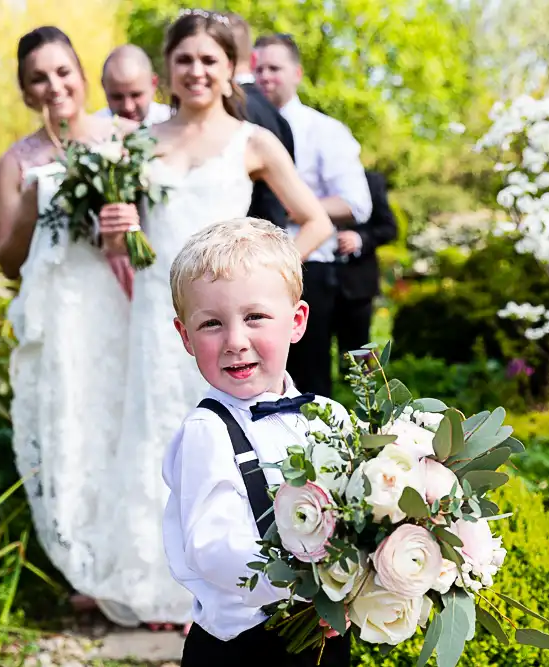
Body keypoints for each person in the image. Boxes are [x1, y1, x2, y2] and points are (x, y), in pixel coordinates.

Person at [101, 8, 335, 630]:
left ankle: (232, 581)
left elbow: (316, 220)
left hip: (229, 310)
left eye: (211, 59)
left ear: (233, 69)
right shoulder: (134, 144)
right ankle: (157, 584)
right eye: (184, 59)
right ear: (166, 71)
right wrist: (118, 232)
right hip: (164, 311)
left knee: (237, 449)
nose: (197, 70)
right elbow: (121, 243)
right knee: (158, 440)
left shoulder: (252, 140)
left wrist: (270, 276)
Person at [0, 26, 144, 626]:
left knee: (129, 427)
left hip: (123, 305)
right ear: (25, 91)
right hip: (59, 316)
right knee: (74, 432)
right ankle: (90, 568)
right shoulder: (17, 159)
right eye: (38, 78)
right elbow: (6, 260)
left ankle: (140, 565)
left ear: (82, 75)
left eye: (62, 71)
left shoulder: (128, 139)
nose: (53, 86)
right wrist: (33, 201)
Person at [162, 218, 352, 667]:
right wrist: (309, 577)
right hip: (243, 649)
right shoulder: (206, 432)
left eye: (255, 318)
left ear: (297, 321)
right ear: (186, 337)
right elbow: (213, 547)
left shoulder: (329, 417)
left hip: (326, 636)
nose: (235, 341)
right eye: (211, 324)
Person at [255, 33, 372, 398]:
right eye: (258, 69)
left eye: (274, 68)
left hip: (308, 267)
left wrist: (301, 208)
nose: (265, 77)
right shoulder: (239, 129)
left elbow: (357, 203)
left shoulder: (325, 131)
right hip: (249, 269)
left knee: (307, 382)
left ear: (297, 73)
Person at [225, 12, 295, 230]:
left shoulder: (228, 110)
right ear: (253, 60)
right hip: (272, 240)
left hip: (238, 247)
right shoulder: (277, 115)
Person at [333, 169, 398, 362]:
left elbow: (389, 228)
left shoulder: (370, 180)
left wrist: (361, 239)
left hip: (358, 281)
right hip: (314, 282)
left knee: (358, 353)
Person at [95, 44, 172, 126]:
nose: (128, 107)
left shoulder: (175, 126)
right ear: (104, 86)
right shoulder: (94, 130)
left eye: (136, 95)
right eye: (117, 97)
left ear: (153, 83)